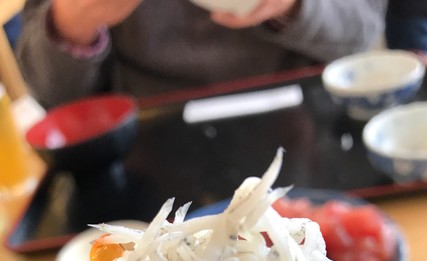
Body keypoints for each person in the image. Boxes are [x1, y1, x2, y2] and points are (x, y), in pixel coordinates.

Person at [17, 0, 387, 109]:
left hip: (305, 114)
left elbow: (362, 33)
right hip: (148, 136)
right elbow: (52, 95)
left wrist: (293, 7)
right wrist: (71, 24)